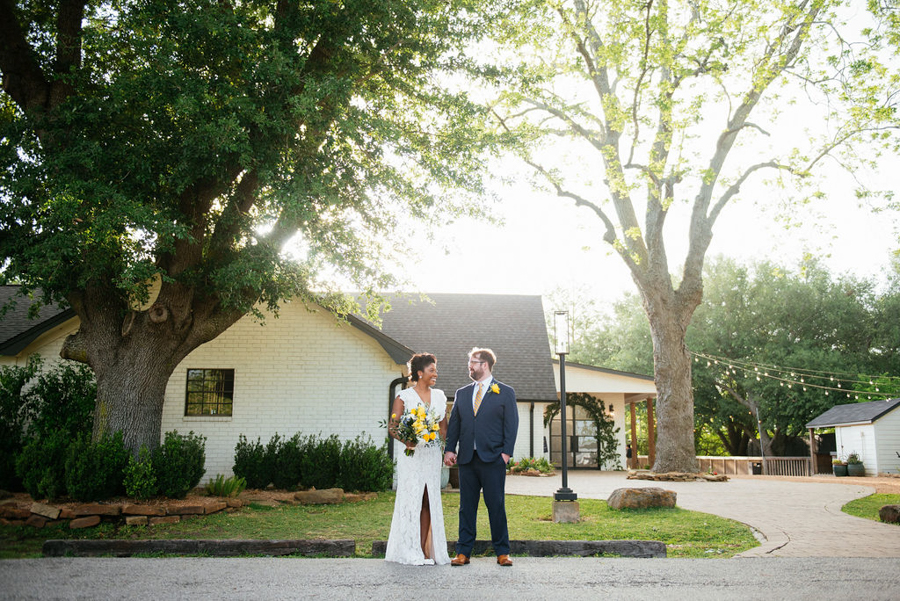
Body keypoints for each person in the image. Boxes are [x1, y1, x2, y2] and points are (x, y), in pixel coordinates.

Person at [444, 347, 519, 567]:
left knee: (496, 505)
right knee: (466, 507)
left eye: (472, 362)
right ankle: (463, 552)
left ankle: (502, 552)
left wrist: (505, 454)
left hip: (493, 459)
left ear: (484, 364)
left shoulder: (505, 392)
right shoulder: (462, 393)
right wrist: (450, 449)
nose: (469, 366)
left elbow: (511, 425)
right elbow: (455, 423)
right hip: (467, 459)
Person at [385, 353, 451, 566]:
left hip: (431, 456)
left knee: (428, 500)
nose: (435, 374)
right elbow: (393, 427)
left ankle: (424, 549)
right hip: (412, 456)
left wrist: (444, 450)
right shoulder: (404, 397)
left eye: (435, 370)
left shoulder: (440, 396)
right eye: (432, 370)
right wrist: (408, 440)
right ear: (420, 373)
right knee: (412, 499)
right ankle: (409, 548)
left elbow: (443, 428)